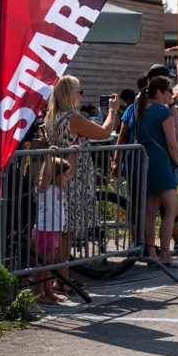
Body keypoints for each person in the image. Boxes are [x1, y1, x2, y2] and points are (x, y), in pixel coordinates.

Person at [44, 75, 119, 291]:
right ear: (70, 94)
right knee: (68, 230)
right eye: (79, 91)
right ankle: (63, 278)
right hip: (74, 177)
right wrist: (112, 110)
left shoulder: (52, 117)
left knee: (62, 228)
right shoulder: (72, 118)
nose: (81, 95)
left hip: (60, 174)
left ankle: (61, 276)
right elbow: (104, 132)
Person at [134, 76, 178, 265]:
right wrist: (177, 160)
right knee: (171, 208)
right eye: (170, 91)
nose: (172, 95)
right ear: (160, 92)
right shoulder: (163, 111)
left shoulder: (139, 108)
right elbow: (171, 143)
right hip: (161, 160)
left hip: (144, 159)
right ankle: (165, 254)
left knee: (150, 210)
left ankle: (151, 253)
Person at [31, 156, 72, 305]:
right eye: (65, 175)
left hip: (53, 230)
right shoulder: (44, 188)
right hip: (45, 231)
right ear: (55, 175)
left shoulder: (58, 187)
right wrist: (49, 156)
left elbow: (69, 171)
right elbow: (47, 175)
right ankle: (37, 293)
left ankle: (48, 291)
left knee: (49, 265)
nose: (68, 178)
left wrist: (72, 152)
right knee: (42, 265)